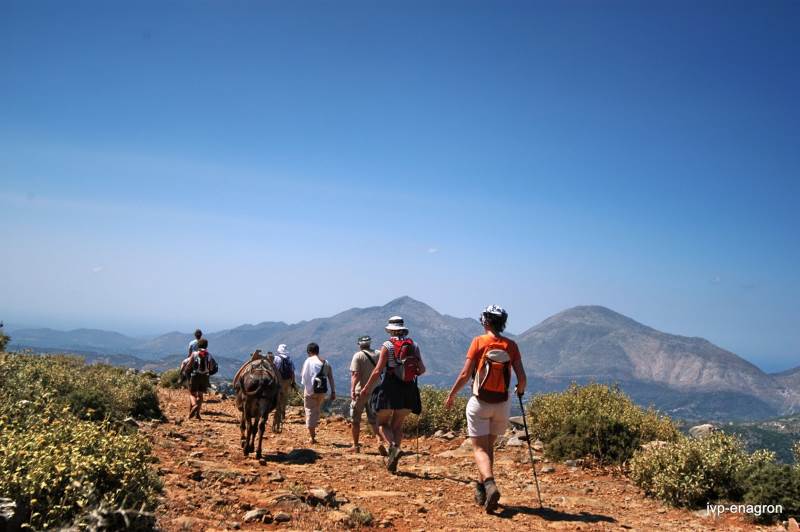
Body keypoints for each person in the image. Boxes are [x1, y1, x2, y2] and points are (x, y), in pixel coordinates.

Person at [445, 305, 527, 513]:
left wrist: (452, 395)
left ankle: (489, 484)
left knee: (479, 449)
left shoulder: (479, 342)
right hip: (502, 404)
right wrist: (519, 390)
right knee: (488, 448)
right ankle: (482, 490)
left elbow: (465, 374)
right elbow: (522, 379)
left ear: (486, 321)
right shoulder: (511, 345)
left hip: (480, 403)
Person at [358, 316, 424, 473]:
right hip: (408, 389)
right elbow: (422, 370)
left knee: (381, 424)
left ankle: (393, 447)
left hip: (389, 388)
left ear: (390, 330)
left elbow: (378, 370)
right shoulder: (414, 345)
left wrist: (366, 388)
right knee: (397, 425)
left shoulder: (387, 345)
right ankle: (393, 460)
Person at [349, 335, 386, 454]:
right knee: (374, 420)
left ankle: (355, 445)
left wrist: (352, 389)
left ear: (359, 344)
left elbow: (355, 375)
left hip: (361, 392)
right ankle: (379, 440)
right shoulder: (379, 353)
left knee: (355, 420)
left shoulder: (358, 356)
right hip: (376, 391)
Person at [300, 342, 335, 444]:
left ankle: (312, 437)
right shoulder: (326, 362)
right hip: (322, 391)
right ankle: (313, 429)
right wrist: (333, 391)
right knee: (316, 410)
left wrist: (307, 388)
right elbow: (330, 377)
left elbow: (304, 376)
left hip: (311, 391)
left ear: (309, 351)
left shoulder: (308, 361)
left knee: (309, 411)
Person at [183, 338, 216, 420]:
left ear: (198, 345)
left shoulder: (194, 354)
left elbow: (189, 365)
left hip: (195, 376)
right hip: (205, 377)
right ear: (206, 345)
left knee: (192, 393)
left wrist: (186, 371)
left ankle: (194, 405)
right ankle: (197, 414)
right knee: (200, 395)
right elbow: (211, 367)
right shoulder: (209, 355)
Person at [272, 344, 297, 432]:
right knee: (284, 397)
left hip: (278, 380)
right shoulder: (289, 359)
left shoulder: (276, 358)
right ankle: (282, 412)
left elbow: (272, 369)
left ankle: (275, 411)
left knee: (276, 395)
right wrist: (293, 382)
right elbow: (292, 372)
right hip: (287, 381)